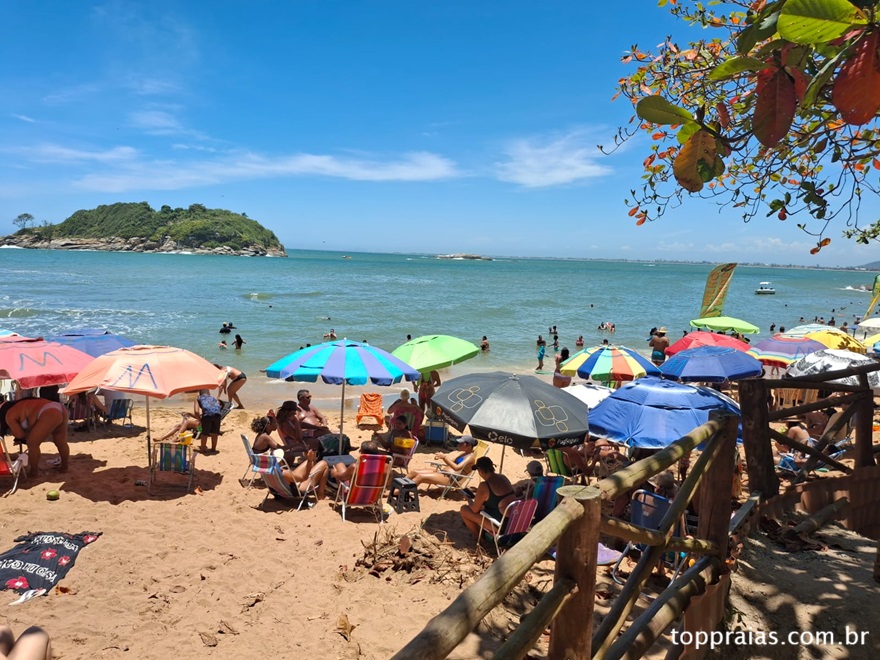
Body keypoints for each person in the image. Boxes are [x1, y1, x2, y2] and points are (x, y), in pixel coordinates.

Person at [0, 397, 69, 474]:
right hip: (59, 408)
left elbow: (19, 435)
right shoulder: (21, 405)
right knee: (61, 442)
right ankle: (64, 467)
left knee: (32, 443)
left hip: (49, 412)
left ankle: (34, 471)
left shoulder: (9, 415)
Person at [460, 456, 516, 541]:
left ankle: (479, 540)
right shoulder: (503, 477)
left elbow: (475, 509)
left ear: (481, 471)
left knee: (464, 510)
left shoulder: (484, 485)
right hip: (514, 522)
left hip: (501, 526)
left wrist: (468, 499)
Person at [409, 435, 477, 488]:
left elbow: (457, 468)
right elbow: (451, 462)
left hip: (451, 480)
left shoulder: (470, 457)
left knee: (420, 477)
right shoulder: (464, 453)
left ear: (468, 445)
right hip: (443, 473)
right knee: (414, 472)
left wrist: (444, 457)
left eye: (461, 443)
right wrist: (441, 456)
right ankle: (400, 486)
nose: (459, 444)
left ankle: (401, 492)